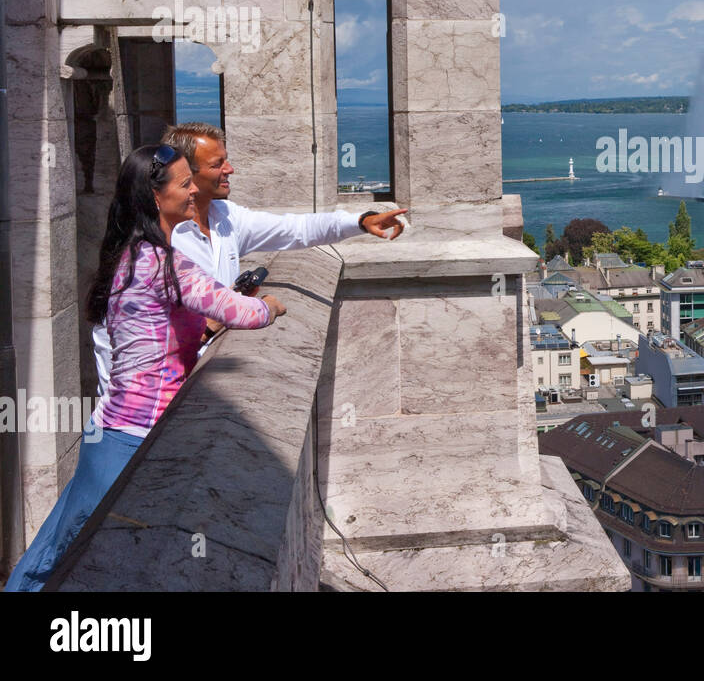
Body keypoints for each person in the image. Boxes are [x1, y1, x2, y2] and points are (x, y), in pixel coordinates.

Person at [4, 144, 285, 591]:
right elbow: (240, 312)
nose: (195, 189)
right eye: (184, 182)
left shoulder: (130, 254)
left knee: (57, 550)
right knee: (72, 560)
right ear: (156, 197)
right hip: (133, 439)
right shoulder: (165, 265)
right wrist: (269, 306)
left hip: (113, 433)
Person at [92, 122, 407, 397]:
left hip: (197, 380)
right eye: (218, 163)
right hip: (151, 402)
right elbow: (112, 334)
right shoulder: (156, 243)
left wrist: (360, 221)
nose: (230, 169)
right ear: (186, 172)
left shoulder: (226, 216)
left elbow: (294, 229)